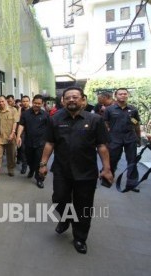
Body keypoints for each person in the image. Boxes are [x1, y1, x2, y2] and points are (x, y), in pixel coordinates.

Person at [39, 86, 113, 254]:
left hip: (86, 173)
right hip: (61, 170)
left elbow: (102, 146)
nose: (71, 100)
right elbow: (50, 143)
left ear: (82, 100)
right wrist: (43, 164)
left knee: (84, 207)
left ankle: (80, 237)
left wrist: (107, 169)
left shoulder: (95, 120)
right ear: (63, 101)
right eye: (68, 98)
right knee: (58, 199)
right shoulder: (55, 119)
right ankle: (65, 219)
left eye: (75, 97)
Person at [103, 88, 141, 192]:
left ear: (128, 95)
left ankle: (132, 183)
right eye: (120, 94)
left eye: (125, 94)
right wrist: (105, 139)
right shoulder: (109, 110)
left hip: (130, 139)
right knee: (112, 159)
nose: (123, 95)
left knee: (132, 161)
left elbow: (136, 124)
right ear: (116, 96)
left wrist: (138, 138)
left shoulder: (133, 110)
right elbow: (105, 125)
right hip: (114, 139)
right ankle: (107, 179)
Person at [16, 94, 49, 188]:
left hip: (40, 143)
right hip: (29, 141)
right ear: (32, 102)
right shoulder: (26, 114)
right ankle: (31, 169)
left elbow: (49, 128)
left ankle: (39, 179)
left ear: (42, 104)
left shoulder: (45, 115)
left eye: (39, 103)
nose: (37, 105)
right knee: (29, 159)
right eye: (35, 103)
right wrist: (18, 136)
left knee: (38, 161)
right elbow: (21, 125)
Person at [0, 95, 19, 176]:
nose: (1, 103)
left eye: (2, 101)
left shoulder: (13, 110)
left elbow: (15, 122)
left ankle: (11, 169)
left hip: (10, 137)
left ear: (6, 101)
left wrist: (13, 133)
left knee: (11, 155)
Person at [17, 95, 31, 174]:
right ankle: (24, 166)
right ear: (21, 102)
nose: (25, 103)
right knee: (22, 149)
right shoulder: (20, 110)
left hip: (31, 133)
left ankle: (31, 164)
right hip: (22, 132)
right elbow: (18, 119)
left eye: (26, 101)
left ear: (29, 102)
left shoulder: (33, 110)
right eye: (23, 101)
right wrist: (19, 108)